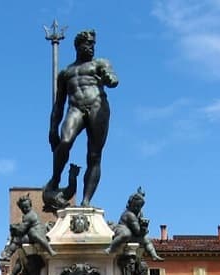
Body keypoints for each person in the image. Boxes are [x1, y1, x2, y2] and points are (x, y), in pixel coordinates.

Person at [46, 29, 118, 208]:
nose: (91, 47)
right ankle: (55, 180)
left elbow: (112, 77)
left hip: (97, 106)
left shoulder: (100, 64)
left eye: (93, 44)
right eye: (88, 44)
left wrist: (110, 79)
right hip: (75, 108)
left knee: (94, 156)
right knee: (65, 141)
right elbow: (59, 104)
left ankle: (86, 201)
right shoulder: (66, 73)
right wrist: (53, 128)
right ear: (78, 46)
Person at [105, 187, 163, 261]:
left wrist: (144, 228)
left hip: (134, 232)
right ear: (130, 204)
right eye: (135, 206)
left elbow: (139, 231)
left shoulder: (139, 213)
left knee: (147, 239)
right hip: (122, 228)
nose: (137, 208)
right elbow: (138, 231)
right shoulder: (129, 214)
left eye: (139, 206)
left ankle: (154, 255)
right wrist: (144, 228)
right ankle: (111, 247)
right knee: (126, 234)